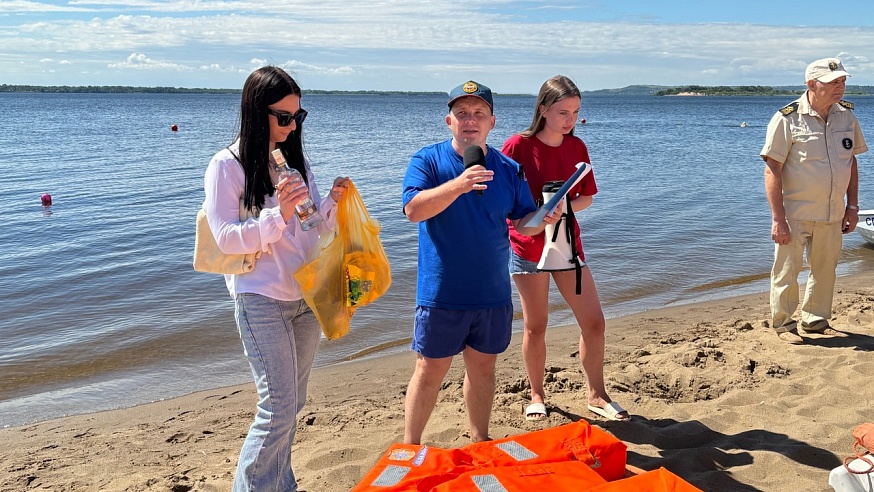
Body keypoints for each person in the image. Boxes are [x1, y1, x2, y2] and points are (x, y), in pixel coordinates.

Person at [202, 66, 349, 492]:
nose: (291, 125)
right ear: (255, 113)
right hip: (260, 297)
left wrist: (333, 205)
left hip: (305, 295)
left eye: (297, 117)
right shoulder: (225, 167)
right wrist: (276, 214)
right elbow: (226, 238)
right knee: (278, 406)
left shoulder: (294, 160)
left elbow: (315, 227)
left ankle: (282, 485)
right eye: (283, 117)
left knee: (293, 403)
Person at [401, 80, 559, 444]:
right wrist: (458, 184)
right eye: (462, 114)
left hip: (492, 292)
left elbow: (522, 223)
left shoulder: (508, 168)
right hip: (442, 293)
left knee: (483, 367)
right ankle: (410, 446)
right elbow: (412, 210)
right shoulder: (427, 160)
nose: (470, 120)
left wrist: (542, 218)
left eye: (478, 114)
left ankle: (479, 439)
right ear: (449, 121)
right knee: (429, 370)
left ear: (492, 122)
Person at [501, 75, 629, 422]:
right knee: (536, 326)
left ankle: (597, 395)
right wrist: (538, 214)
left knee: (594, 322)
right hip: (528, 247)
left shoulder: (577, 147)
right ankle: (537, 395)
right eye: (562, 112)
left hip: (568, 245)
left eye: (575, 112)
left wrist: (565, 207)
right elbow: (504, 202)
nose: (570, 120)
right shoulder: (517, 147)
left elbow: (587, 195)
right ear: (542, 109)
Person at [761, 57, 867, 344]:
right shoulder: (787, 118)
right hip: (795, 212)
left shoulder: (847, 116)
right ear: (811, 84)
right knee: (787, 271)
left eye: (843, 81)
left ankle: (816, 320)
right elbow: (772, 169)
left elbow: (851, 163)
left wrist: (853, 206)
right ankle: (784, 324)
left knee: (825, 270)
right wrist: (778, 219)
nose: (840, 87)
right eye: (833, 82)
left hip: (833, 211)